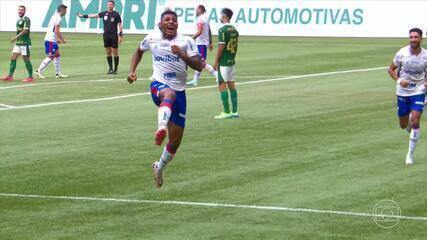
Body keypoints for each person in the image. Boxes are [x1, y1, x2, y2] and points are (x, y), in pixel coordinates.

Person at [127, 10, 202, 188]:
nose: (171, 23)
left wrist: (182, 55)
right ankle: (161, 128)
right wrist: (132, 71)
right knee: (169, 94)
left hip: (180, 92)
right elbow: (138, 52)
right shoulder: (151, 38)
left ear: (177, 24)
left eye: (174, 20)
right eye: (167, 20)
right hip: (158, 86)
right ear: (160, 24)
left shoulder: (186, 41)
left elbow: (199, 65)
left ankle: (159, 167)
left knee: (175, 142)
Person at [388, 27, 427, 165]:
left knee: (416, 120)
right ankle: (409, 122)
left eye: (416, 37)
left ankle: (410, 155)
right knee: (403, 124)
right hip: (403, 92)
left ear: (421, 39)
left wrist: (425, 84)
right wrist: (399, 80)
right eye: (411, 37)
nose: (413, 40)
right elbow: (391, 69)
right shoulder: (401, 53)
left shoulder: (426, 55)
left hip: (418, 91)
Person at [77, 0, 123, 74]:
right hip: (106, 35)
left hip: (114, 35)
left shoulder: (116, 14)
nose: (109, 6)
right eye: (108, 4)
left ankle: (115, 69)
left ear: (113, 6)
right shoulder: (104, 13)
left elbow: (120, 25)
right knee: (108, 52)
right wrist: (83, 16)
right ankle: (110, 68)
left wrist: (120, 35)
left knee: (115, 52)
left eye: (111, 4)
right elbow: (94, 15)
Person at [213, 8, 239, 119]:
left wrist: (216, 61)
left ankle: (227, 112)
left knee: (222, 84)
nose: (220, 17)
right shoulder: (234, 29)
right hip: (232, 60)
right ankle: (234, 111)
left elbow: (222, 45)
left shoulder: (222, 30)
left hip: (223, 62)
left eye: (220, 15)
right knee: (231, 84)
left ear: (224, 16)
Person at [0, 5, 34, 83]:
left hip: (25, 43)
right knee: (13, 58)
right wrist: (17, 39)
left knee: (26, 59)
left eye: (22, 10)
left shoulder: (26, 19)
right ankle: (10, 76)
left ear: (24, 11)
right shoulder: (19, 20)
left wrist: (15, 38)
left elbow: (25, 31)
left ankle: (30, 77)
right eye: (19, 10)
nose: (20, 11)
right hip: (18, 43)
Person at [186, 5, 216, 86]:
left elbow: (199, 31)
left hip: (201, 43)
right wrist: (210, 42)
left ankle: (217, 75)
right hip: (203, 43)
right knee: (199, 62)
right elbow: (209, 31)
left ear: (200, 10)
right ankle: (195, 80)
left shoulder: (200, 18)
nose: (195, 11)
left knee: (201, 62)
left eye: (196, 10)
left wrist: (191, 39)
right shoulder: (206, 18)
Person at [36, 4, 68, 79]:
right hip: (50, 40)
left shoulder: (55, 16)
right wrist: (62, 40)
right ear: (62, 10)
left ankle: (58, 73)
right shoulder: (58, 18)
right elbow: (57, 30)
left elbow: (53, 30)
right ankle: (38, 71)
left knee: (57, 55)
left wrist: (57, 39)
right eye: (65, 10)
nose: (66, 12)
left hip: (52, 39)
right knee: (51, 57)